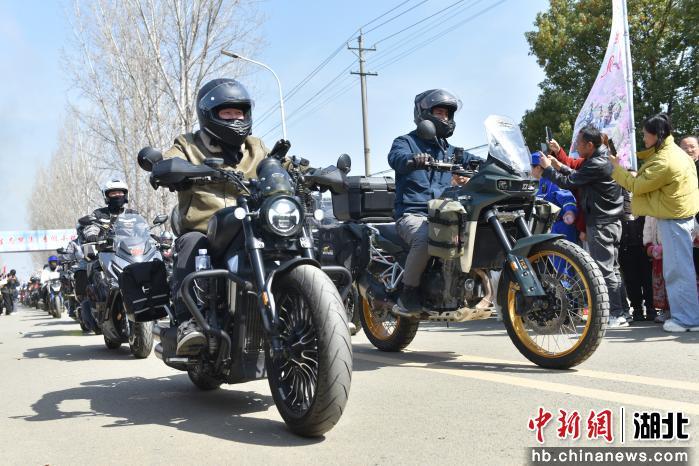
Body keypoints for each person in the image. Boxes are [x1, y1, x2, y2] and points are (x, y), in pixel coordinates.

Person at [162, 78, 268, 355]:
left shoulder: (256, 146)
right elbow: (167, 161)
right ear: (209, 114)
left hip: (252, 222)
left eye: (239, 113)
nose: (235, 119)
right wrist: (170, 168)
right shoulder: (188, 144)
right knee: (191, 243)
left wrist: (312, 171)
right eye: (227, 113)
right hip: (207, 228)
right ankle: (189, 322)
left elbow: (278, 165)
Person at [387, 89, 475, 315]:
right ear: (424, 114)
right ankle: (408, 292)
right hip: (413, 215)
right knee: (428, 236)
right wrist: (412, 160)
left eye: (447, 114)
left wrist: (498, 165)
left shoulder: (450, 151)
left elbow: (477, 162)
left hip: (444, 215)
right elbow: (396, 158)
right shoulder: (406, 142)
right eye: (439, 113)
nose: (444, 118)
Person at [610, 113, 699, 332]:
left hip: (674, 220)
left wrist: (615, 168)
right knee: (682, 270)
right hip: (680, 218)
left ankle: (686, 319)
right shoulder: (675, 153)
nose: (643, 139)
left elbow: (636, 186)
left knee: (678, 272)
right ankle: (688, 317)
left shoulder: (664, 160)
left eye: (645, 135)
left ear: (656, 135)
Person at [538, 126, 626, 327]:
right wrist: (559, 166)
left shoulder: (597, 162)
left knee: (604, 270)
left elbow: (569, 182)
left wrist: (549, 169)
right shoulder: (599, 159)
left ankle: (616, 313)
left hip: (601, 223)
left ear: (590, 145)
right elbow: (577, 175)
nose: (576, 147)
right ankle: (622, 312)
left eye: (579, 143)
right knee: (613, 269)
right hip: (609, 222)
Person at [619, 187, 654, 322]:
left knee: (648, 279)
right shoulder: (618, 199)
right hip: (626, 246)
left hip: (645, 246)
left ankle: (651, 308)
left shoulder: (646, 198)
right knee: (631, 280)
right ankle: (637, 309)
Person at [530, 151, 578, 244]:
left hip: (562, 229)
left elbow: (567, 198)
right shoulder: (541, 182)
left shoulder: (552, 181)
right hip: (549, 229)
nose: (529, 170)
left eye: (531, 167)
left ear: (538, 167)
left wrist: (570, 211)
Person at [643, 216, 669, 322]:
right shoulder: (650, 212)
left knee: (674, 280)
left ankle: (677, 311)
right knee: (660, 282)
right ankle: (665, 311)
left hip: (673, 248)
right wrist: (648, 244)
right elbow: (648, 228)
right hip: (657, 251)